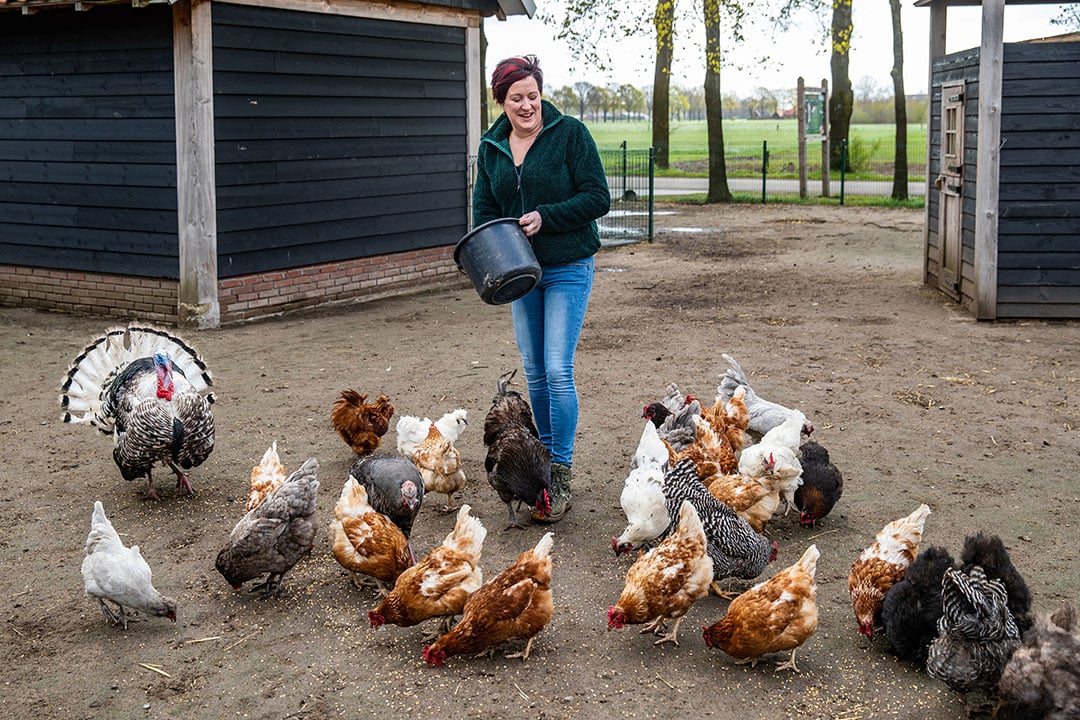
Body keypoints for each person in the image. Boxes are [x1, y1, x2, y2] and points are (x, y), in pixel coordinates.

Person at [473, 55, 611, 524]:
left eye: (533, 95)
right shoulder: (492, 147)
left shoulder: (570, 133)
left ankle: (562, 469)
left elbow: (598, 196)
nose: (528, 105)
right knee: (532, 372)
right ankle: (542, 466)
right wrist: (492, 251)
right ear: (502, 101)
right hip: (521, 273)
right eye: (517, 98)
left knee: (556, 368)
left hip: (569, 265)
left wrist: (545, 216)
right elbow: (483, 215)